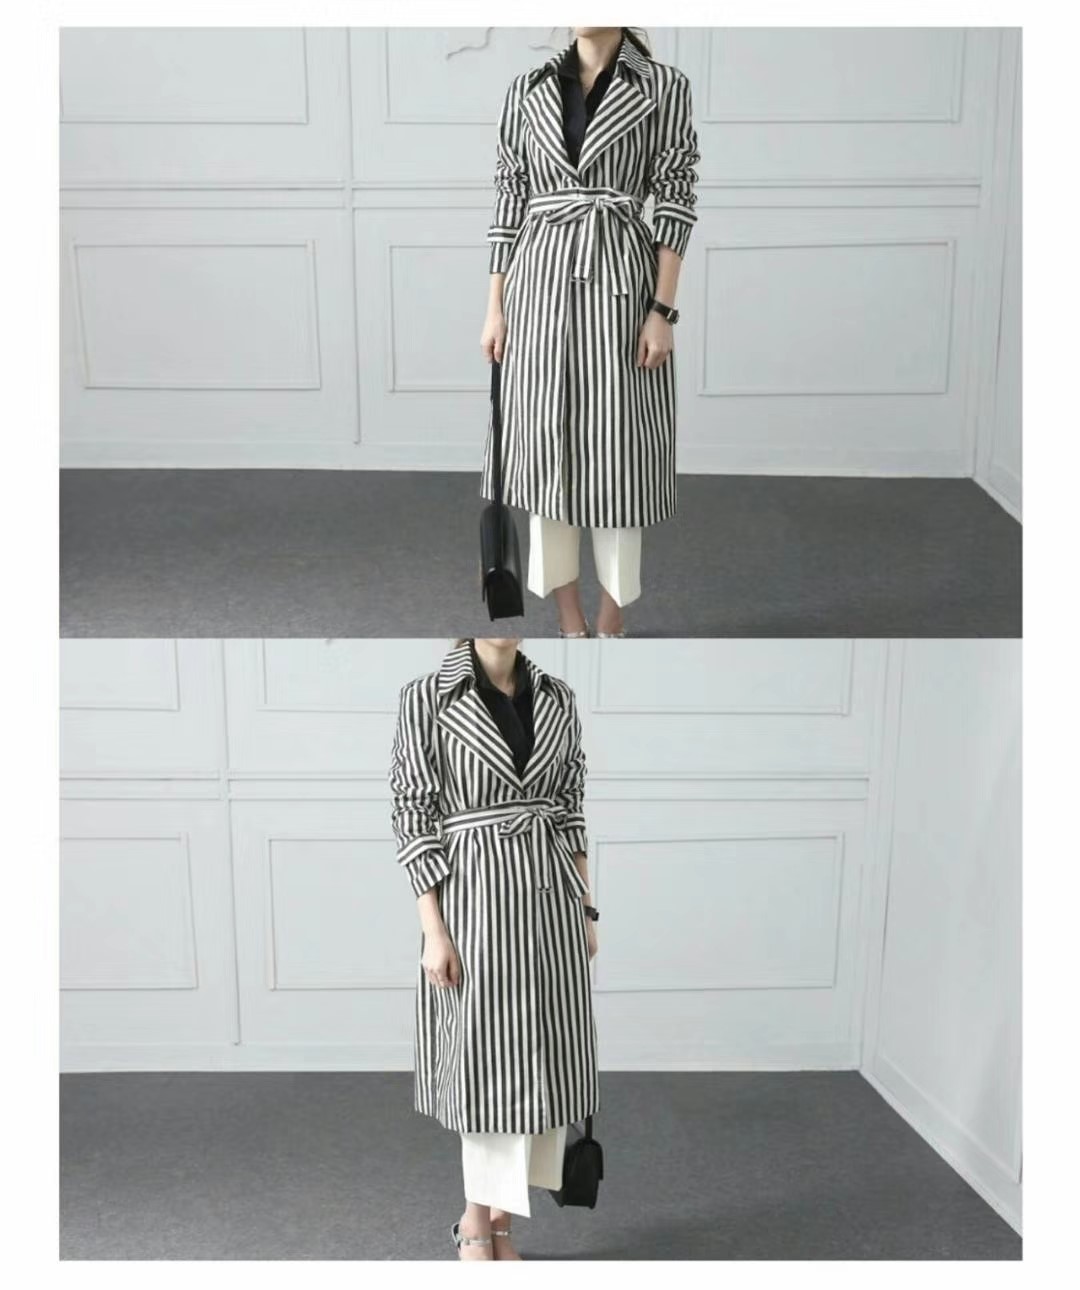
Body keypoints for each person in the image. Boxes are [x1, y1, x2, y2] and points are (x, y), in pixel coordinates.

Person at [480, 27, 700, 639]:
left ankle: (612, 618)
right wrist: (495, 307)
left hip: (621, 282)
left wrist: (662, 310)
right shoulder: (526, 89)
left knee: (616, 453)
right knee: (547, 451)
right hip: (539, 283)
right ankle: (569, 621)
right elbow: (508, 197)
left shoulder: (663, 86)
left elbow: (676, 197)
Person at [389, 637, 600, 1260]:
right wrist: (434, 931)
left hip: (552, 898)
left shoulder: (557, 697)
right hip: (476, 901)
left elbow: (570, 806)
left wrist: (587, 907)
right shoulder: (427, 697)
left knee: (544, 1064)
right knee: (487, 1068)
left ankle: (503, 1223)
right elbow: (412, 813)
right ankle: (475, 1224)